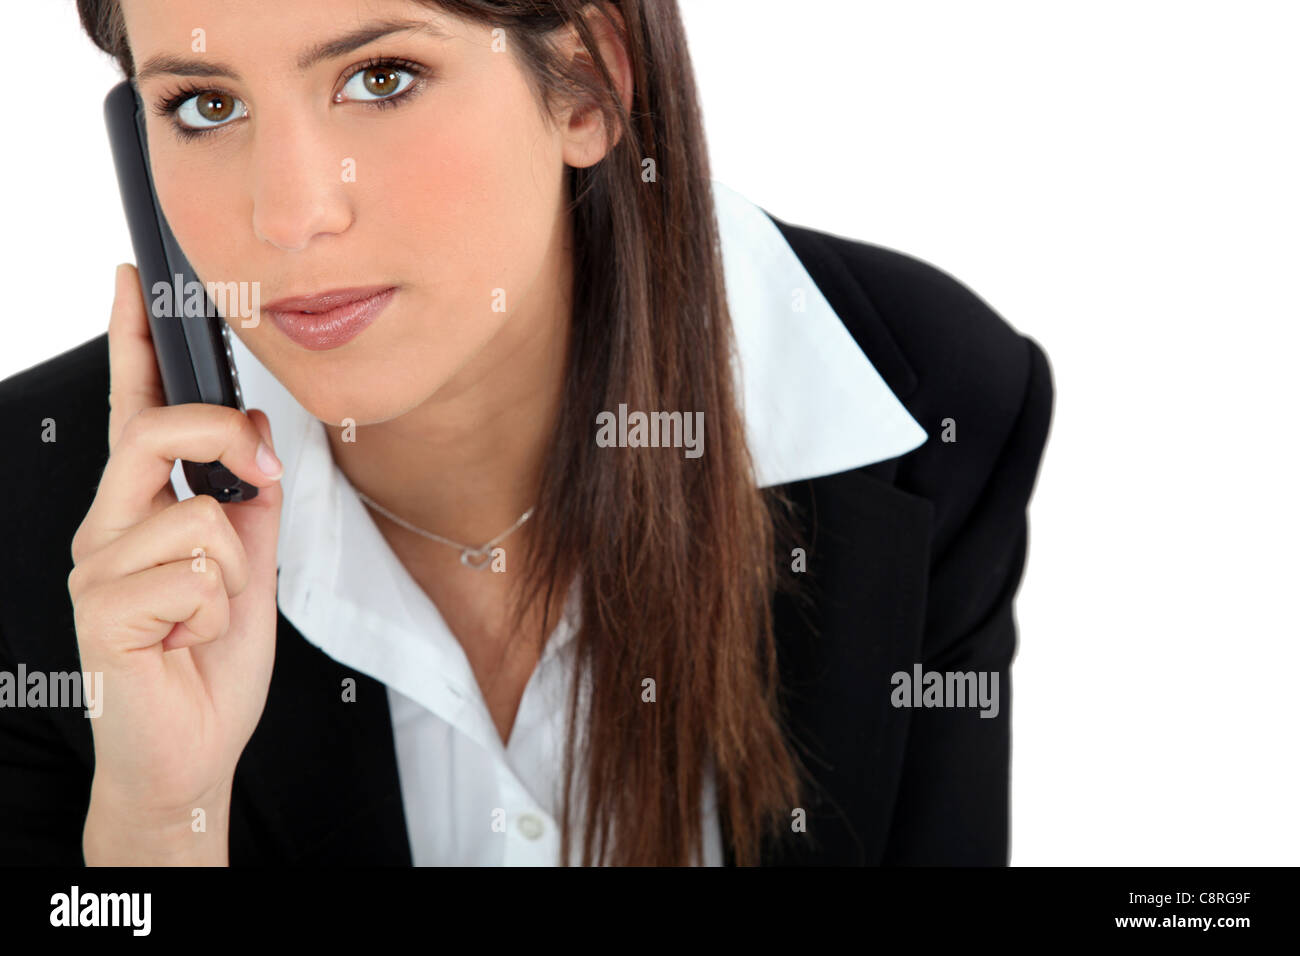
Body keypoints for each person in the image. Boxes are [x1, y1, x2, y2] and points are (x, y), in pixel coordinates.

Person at [0, 0, 1053, 866]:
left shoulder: (916, 408)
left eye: (381, 78)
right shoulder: (39, 525)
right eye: (205, 104)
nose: (291, 214)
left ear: (587, 82)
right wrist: (159, 822)